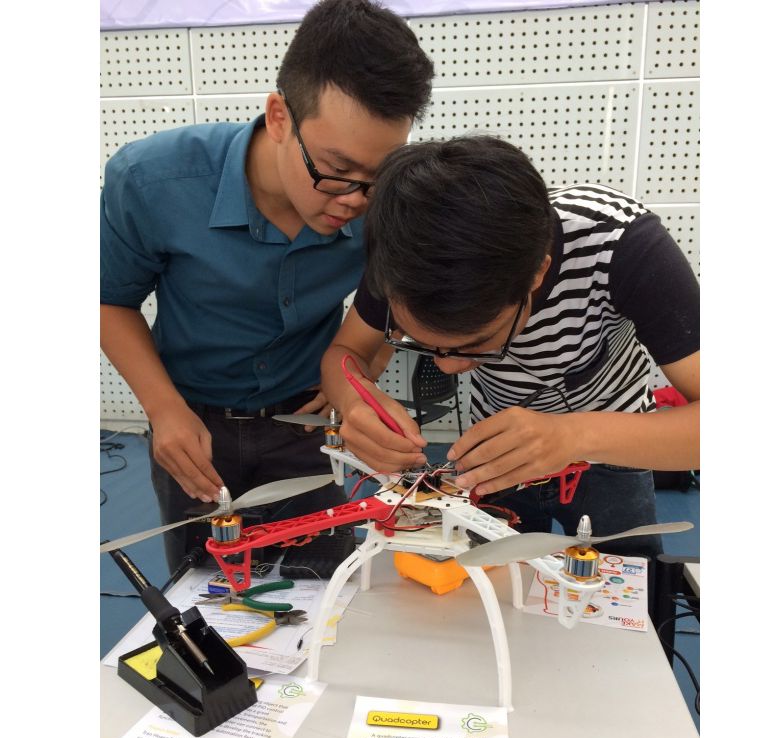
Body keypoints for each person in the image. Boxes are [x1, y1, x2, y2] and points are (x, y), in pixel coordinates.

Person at [100, 0, 434, 573]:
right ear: (279, 116)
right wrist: (163, 409)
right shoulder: (151, 180)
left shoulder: (390, 200)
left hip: (306, 426)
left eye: (377, 178)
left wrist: (357, 383)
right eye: (335, 169)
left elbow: (390, 307)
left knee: (327, 589)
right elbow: (108, 300)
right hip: (191, 424)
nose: (355, 200)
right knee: (205, 593)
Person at [320, 135, 699, 560]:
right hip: (495, 454)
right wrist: (356, 404)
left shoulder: (621, 244)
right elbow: (345, 353)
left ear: (538, 272)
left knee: (624, 594)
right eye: (424, 345)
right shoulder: (405, 260)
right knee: (496, 591)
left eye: (477, 344)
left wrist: (573, 435)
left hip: (616, 445)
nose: (448, 370)